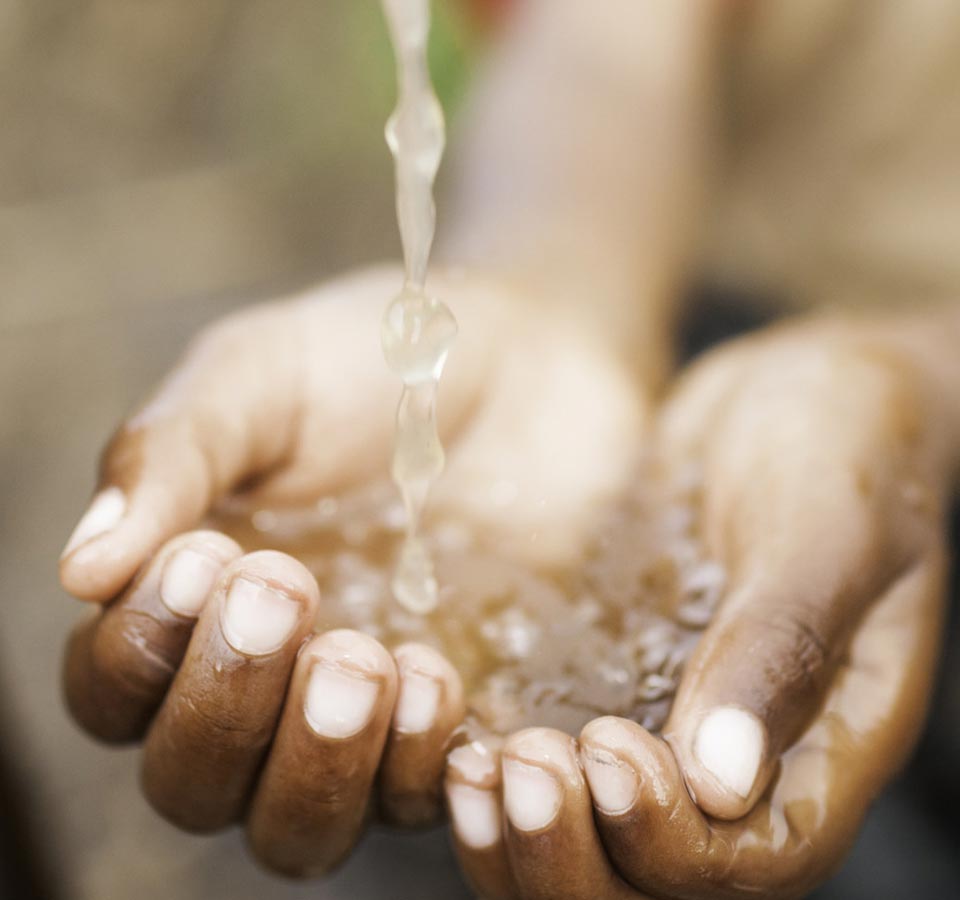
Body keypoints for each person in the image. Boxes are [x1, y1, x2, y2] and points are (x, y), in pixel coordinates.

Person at [58, 1, 960, 897]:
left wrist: (927, 386)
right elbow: (612, 38)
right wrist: (555, 287)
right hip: (733, 355)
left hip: (864, 413)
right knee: (480, 751)